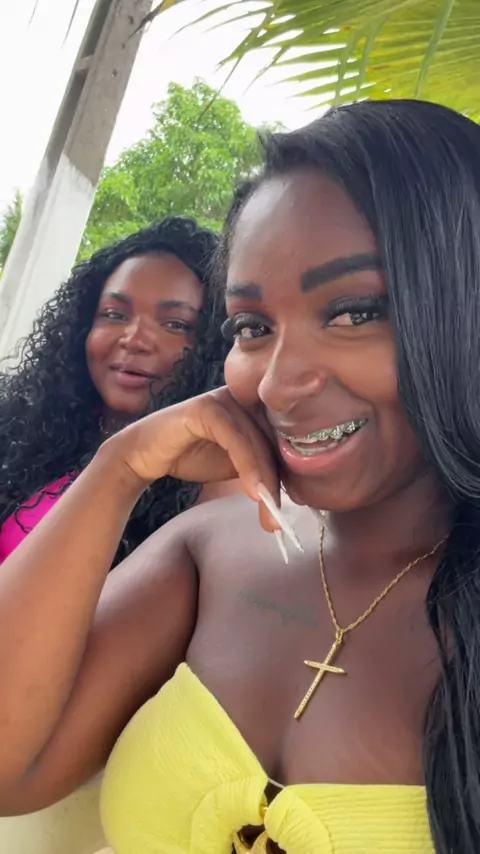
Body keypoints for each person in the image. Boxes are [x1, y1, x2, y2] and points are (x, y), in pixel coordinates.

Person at [0, 98, 478, 854]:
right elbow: (9, 769)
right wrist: (120, 467)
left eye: (353, 312)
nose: (278, 383)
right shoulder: (209, 553)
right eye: (252, 327)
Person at [0, 216, 231, 565]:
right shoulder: (24, 427)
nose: (134, 340)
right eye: (114, 314)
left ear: (214, 346)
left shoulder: (215, 480)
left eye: (175, 324)